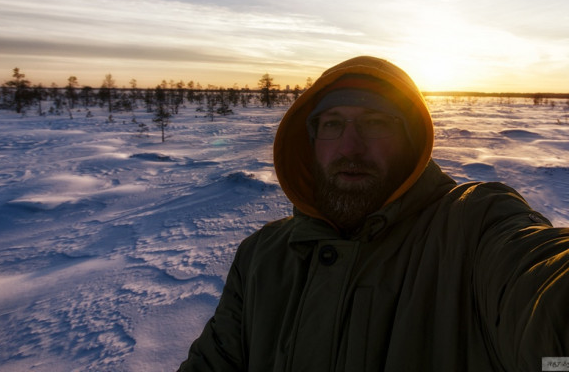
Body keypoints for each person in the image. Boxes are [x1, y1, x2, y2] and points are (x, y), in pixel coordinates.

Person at [179, 56, 569, 371]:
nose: (351, 147)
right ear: (310, 142)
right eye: (332, 124)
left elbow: (542, 295)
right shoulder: (262, 256)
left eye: (376, 123)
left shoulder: (471, 226)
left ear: (411, 140)